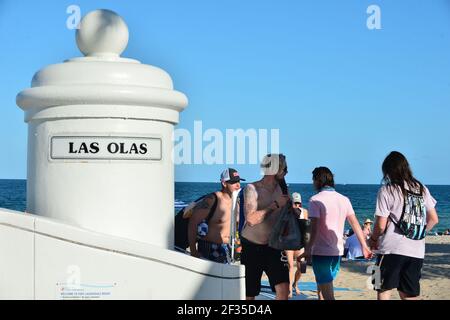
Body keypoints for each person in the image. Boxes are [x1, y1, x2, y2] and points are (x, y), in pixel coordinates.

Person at [368, 151, 439, 300]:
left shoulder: (386, 190)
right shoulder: (421, 188)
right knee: (409, 294)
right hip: (417, 251)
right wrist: (418, 232)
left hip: (389, 250)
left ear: (387, 170)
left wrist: (373, 239)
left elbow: (380, 225)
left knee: (382, 289)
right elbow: (434, 219)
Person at [299, 167, 372, 300]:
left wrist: (308, 249)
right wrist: (365, 246)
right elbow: (355, 224)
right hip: (337, 251)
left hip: (321, 251)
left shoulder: (315, 200)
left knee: (327, 292)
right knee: (324, 283)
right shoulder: (344, 199)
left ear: (317, 180)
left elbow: (314, 228)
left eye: (313, 180)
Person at [240, 154, 291, 300]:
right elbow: (251, 219)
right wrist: (275, 205)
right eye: (285, 169)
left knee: (284, 290)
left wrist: (292, 211)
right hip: (252, 247)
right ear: (277, 169)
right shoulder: (252, 188)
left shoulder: (282, 189)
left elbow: (285, 216)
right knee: (250, 293)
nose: (287, 172)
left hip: (274, 247)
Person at [188, 168, 245, 263]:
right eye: (233, 182)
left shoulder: (237, 203)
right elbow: (193, 222)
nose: (238, 185)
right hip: (210, 248)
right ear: (224, 183)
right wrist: (193, 250)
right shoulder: (212, 200)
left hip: (230, 249)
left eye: (238, 181)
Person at [285, 192, 309, 298]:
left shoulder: (305, 212)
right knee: (290, 266)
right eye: (295, 203)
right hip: (289, 242)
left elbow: (307, 229)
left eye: (298, 203)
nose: (297, 205)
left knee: (301, 268)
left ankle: (295, 284)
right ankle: (289, 289)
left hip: (300, 243)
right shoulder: (287, 213)